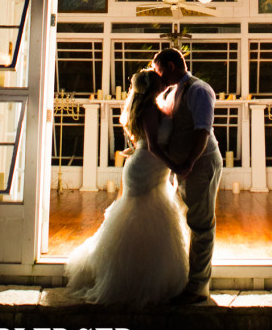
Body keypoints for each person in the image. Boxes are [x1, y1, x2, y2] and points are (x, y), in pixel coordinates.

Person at [64, 68, 189, 306]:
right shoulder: (150, 109)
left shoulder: (152, 106)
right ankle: (131, 280)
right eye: (158, 79)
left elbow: (144, 141)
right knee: (141, 215)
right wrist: (176, 166)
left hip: (147, 164)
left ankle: (144, 274)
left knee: (148, 215)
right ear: (152, 85)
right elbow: (153, 145)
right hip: (146, 168)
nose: (163, 82)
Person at [152, 47, 223, 305]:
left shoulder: (199, 90)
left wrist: (189, 163)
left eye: (158, 71)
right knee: (192, 221)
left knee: (202, 224)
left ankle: (197, 288)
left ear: (170, 66)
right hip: (186, 167)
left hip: (201, 165)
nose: (158, 78)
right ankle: (190, 279)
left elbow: (202, 132)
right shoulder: (175, 90)